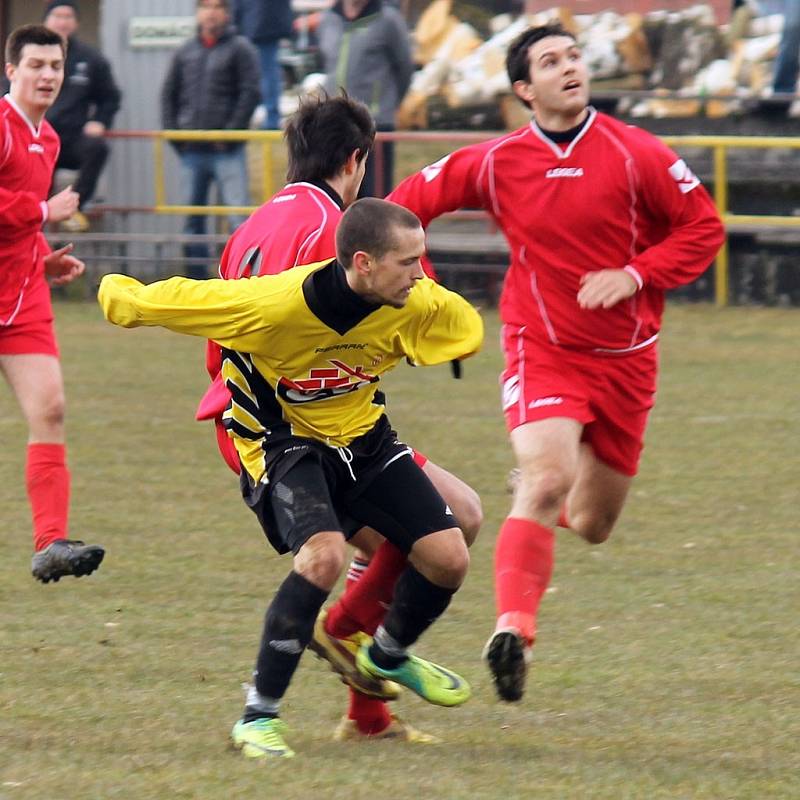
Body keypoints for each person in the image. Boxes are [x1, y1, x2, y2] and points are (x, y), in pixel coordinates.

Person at [386, 23, 726, 702]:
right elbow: (402, 208)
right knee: (545, 480)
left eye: (573, 56)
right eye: (550, 61)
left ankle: (536, 507)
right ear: (523, 89)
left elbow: (704, 228)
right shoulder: (495, 161)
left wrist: (635, 275)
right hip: (542, 351)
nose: (570, 67)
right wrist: (422, 293)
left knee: (594, 523)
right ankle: (513, 631)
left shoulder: (639, 154)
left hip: (628, 362)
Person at [98, 197, 483, 758]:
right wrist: (117, 295)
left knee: (449, 558)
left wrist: (451, 343)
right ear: (364, 263)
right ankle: (258, 717)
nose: (421, 274)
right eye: (409, 262)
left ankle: (387, 655)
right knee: (323, 556)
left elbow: (459, 322)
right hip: (282, 444)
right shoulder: (274, 306)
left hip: (364, 437)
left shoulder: (416, 301)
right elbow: (175, 299)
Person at [196, 92, 482, 742]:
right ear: (357, 159)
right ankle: (329, 661)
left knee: (452, 519)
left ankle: (367, 707)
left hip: (259, 414)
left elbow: (223, 332)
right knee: (401, 544)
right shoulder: (341, 234)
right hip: (293, 432)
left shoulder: (252, 225)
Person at [1, 24, 105, 583]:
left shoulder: (51, 139)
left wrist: (43, 256)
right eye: (35, 64)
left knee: (51, 409)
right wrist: (44, 215)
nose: (47, 75)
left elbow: (13, 223)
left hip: (21, 296)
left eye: (56, 66)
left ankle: (50, 543)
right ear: (11, 70)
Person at [160, 0, 261, 277]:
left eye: (217, 6)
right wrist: (175, 136)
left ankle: (240, 281)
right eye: (205, 6)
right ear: (197, 12)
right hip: (191, 150)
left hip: (228, 151)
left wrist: (229, 134)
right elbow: (169, 95)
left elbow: (250, 92)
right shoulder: (185, 52)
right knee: (192, 219)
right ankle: (196, 280)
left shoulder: (241, 49)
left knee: (237, 218)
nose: (211, 12)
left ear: (227, 13)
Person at [317, 0, 414, 198]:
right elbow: (327, 64)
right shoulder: (328, 19)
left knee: (373, 199)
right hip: (335, 125)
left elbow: (404, 68)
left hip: (374, 126)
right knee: (336, 196)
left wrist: (387, 104)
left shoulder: (388, 21)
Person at [42, 1, 121, 233]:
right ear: (46, 20)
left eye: (68, 16)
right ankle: (39, 220)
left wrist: (100, 121)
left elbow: (110, 97)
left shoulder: (90, 59)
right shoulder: (32, 54)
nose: (62, 21)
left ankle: (74, 205)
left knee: (97, 147)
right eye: (57, 15)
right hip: (40, 138)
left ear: (76, 23)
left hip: (73, 137)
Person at [231, 0, 293, 130]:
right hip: (264, 22)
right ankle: (270, 118)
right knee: (267, 74)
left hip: (257, 23)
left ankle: (270, 119)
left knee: (265, 74)